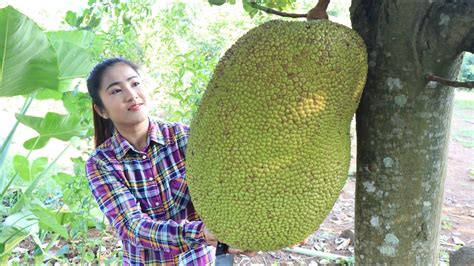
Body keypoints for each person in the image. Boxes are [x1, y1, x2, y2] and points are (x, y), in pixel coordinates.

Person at [84, 57, 254, 265]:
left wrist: (250, 231)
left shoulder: (186, 138)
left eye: (135, 83)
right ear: (101, 110)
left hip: (199, 260)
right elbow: (133, 227)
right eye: (116, 90)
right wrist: (203, 233)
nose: (131, 95)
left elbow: (225, 189)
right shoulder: (101, 163)